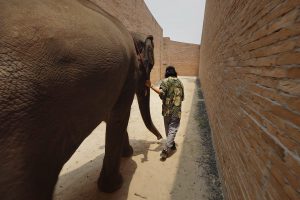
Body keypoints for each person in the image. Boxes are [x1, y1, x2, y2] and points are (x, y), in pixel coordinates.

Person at [145, 66, 184, 160]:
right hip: (176, 111)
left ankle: (165, 150)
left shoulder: (165, 81)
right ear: (175, 73)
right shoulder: (180, 83)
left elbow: (161, 92)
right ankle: (171, 144)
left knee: (168, 130)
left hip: (166, 111)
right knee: (172, 130)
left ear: (166, 73)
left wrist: (151, 85)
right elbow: (182, 98)